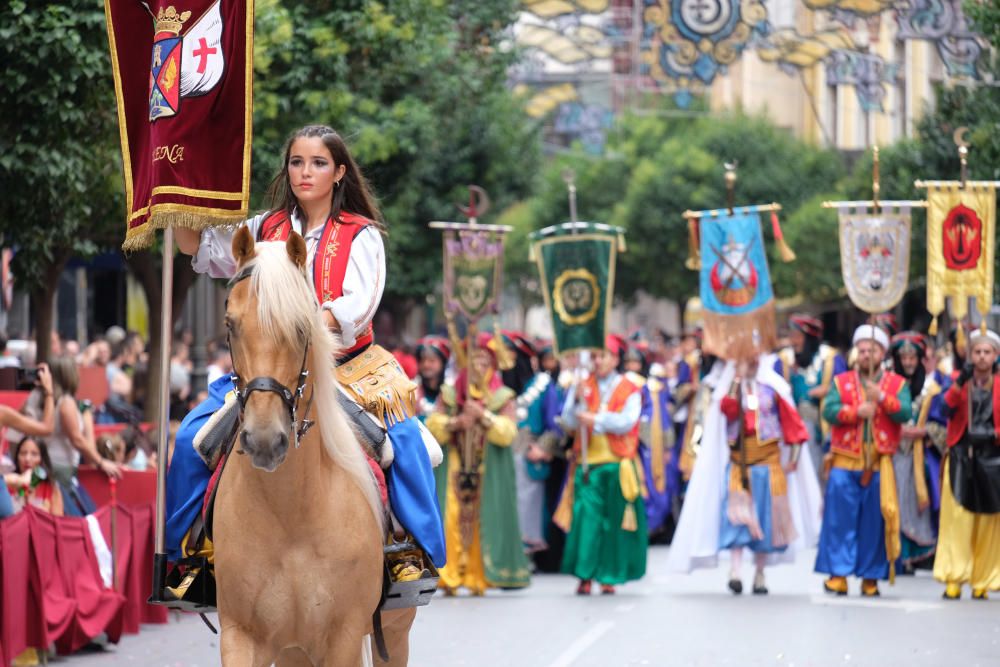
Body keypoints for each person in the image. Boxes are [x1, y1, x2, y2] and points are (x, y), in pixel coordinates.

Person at [171, 125, 445, 630]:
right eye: (297, 162)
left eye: (318, 163)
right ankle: (188, 558)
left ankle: (406, 554)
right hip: (269, 370)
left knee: (404, 446)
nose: (305, 173)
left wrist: (307, 327)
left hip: (346, 368)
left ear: (339, 172)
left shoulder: (361, 235)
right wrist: (176, 195)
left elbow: (357, 306)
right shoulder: (263, 226)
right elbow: (201, 249)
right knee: (192, 438)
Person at [666, 354, 822, 594]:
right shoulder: (732, 389)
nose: (752, 363)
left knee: (766, 521)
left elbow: (793, 427)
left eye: (754, 360)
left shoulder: (774, 389)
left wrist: (792, 459)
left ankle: (760, 574)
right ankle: (735, 572)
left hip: (769, 464)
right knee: (737, 519)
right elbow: (727, 409)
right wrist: (736, 379)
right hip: (739, 462)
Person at [426, 333, 529, 595]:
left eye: (485, 360)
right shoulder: (449, 394)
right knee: (452, 518)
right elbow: (432, 427)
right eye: (474, 360)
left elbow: (507, 433)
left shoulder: (503, 396)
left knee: (482, 520)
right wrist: (455, 423)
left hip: (486, 468)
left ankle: (477, 575)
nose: (479, 366)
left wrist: (483, 416)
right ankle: (449, 574)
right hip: (456, 467)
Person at [816, 325, 911, 597]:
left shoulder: (897, 384)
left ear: (882, 353)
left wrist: (882, 399)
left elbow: (904, 412)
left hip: (879, 460)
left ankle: (871, 577)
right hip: (845, 460)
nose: (867, 354)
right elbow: (830, 410)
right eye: (863, 349)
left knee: (875, 521)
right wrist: (855, 411)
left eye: (872, 350)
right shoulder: (840, 381)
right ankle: (838, 574)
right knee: (839, 520)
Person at [559, 337, 646, 595]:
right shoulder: (582, 385)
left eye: (604, 356)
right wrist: (575, 403)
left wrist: (594, 419)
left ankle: (609, 575)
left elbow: (627, 422)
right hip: (589, 466)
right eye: (595, 356)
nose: (599, 361)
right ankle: (585, 574)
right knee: (586, 521)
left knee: (614, 523)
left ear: (616, 359)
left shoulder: (630, 388)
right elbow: (568, 421)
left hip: (618, 465)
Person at [935, 328, 1000, 600]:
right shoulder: (956, 380)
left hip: (993, 459)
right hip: (962, 457)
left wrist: (992, 435)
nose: (982, 357)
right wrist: (959, 383)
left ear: (995, 355)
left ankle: (983, 580)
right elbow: (943, 410)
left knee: (989, 522)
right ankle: (954, 576)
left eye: (987, 352)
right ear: (970, 355)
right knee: (958, 520)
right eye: (977, 352)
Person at [890, 332, 949, 572]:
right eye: (903, 357)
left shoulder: (934, 388)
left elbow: (944, 423)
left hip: (921, 455)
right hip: (894, 452)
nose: (908, 363)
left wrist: (923, 432)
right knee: (894, 500)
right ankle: (896, 554)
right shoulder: (890, 385)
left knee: (916, 502)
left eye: (912, 357)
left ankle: (919, 554)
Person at [776, 314, 847, 476]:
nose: (793, 341)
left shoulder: (830, 359)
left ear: (809, 339)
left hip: (819, 430)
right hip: (790, 428)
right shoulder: (784, 360)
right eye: (791, 336)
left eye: (798, 337)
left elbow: (847, 389)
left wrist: (828, 390)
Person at [6, 436, 64, 516]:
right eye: (23, 453)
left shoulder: (51, 488)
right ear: (17, 457)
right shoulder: (8, 483)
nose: (27, 459)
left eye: (34, 454)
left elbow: (58, 522)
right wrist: (23, 489)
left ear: (42, 459)